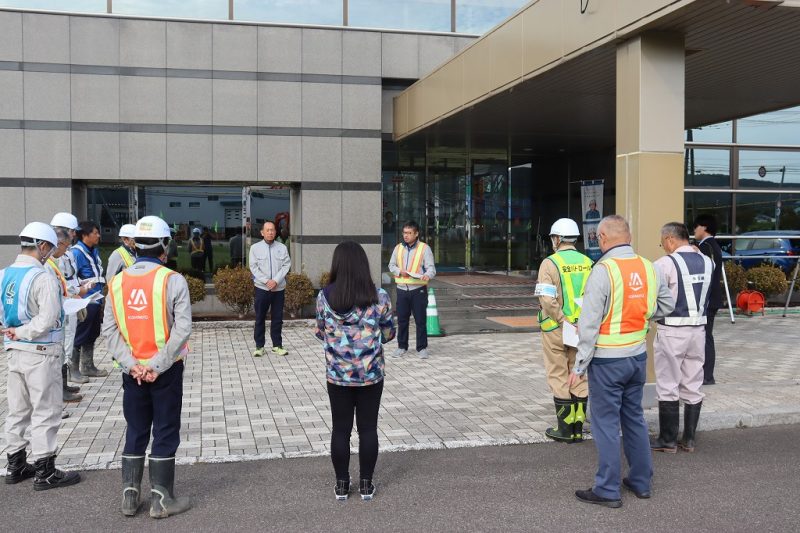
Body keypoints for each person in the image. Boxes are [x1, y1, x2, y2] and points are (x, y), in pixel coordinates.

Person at [570, 215, 674, 507]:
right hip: (636, 356)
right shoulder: (649, 266)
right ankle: (641, 482)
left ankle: (607, 490)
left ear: (602, 237)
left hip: (606, 362)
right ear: (628, 236)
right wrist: (639, 317)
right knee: (634, 418)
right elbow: (666, 305)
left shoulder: (603, 270)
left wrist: (579, 365)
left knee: (604, 423)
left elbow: (589, 324)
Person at [102, 216, 192, 519]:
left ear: (135, 245)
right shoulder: (172, 280)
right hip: (165, 371)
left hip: (132, 374)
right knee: (165, 430)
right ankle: (161, 500)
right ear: (165, 245)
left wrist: (133, 366)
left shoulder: (116, 283)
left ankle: (129, 497)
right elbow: (182, 331)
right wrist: (156, 365)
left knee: (136, 428)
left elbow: (109, 332)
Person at [1, 222, 81, 490]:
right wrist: (23, 331)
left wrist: (12, 332)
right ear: (42, 246)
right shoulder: (43, 277)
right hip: (41, 350)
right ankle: (45, 470)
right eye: (50, 248)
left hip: (14, 351)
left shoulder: (4, 275)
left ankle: (16, 464)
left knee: (17, 410)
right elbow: (47, 319)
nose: (50, 253)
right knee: (45, 410)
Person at [315, 241, 395, 501]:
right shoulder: (379, 296)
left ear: (337, 264)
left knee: (340, 429)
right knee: (368, 429)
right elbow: (389, 333)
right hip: (370, 375)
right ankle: (365, 485)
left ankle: (341, 486)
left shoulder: (324, 297)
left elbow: (320, 332)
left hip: (337, 375)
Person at [651, 223, 713, 454]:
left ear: (669, 239)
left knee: (668, 384)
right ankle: (689, 439)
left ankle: (667, 440)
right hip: (698, 331)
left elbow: (654, 297)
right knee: (693, 382)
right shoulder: (708, 261)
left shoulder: (664, 264)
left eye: (662, 242)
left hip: (672, 331)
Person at [536, 218, 593, 442]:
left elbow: (547, 300)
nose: (552, 241)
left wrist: (563, 320)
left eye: (552, 237)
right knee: (578, 373)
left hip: (556, 328)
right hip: (582, 328)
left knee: (558, 374)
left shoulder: (549, 263)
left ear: (558, 238)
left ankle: (565, 430)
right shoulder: (589, 263)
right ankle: (578, 428)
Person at [50, 213, 90, 387]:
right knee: (62, 344)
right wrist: (77, 290)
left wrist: (81, 287)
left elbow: (71, 278)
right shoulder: (52, 257)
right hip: (64, 304)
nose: (74, 235)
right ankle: (61, 386)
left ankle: (64, 384)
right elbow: (61, 282)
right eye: (73, 232)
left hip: (72, 302)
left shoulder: (68, 253)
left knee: (69, 340)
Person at [44, 226, 82, 404]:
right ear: (58, 244)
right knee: (59, 354)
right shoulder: (48, 265)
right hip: (56, 317)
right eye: (66, 246)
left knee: (64, 349)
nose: (67, 250)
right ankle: (58, 393)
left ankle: (63, 387)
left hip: (64, 310)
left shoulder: (53, 262)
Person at [388, 221, 436, 359]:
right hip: (402, 290)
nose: (406, 236)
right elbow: (391, 265)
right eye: (404, 233)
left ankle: (422, 348)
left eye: (409, 233)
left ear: (416, 234)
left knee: (420, 320)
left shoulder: (424, 248)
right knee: (402, 320)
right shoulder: (398, 248)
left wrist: (428, 275)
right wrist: (399, 271)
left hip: (418, 290)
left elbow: (431, 268)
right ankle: (401, 347)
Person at [249, 221, 291, 357]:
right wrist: (267, 281)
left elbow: (286, 265)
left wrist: (276, 281)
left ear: (275, 232)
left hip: (278, 289)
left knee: (277, 318)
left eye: (272, 230)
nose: (270, 232)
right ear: (262, 232)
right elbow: (253, 267)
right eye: (267, 230)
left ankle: (277, 345)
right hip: (262, 288)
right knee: (260, 317)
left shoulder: (282, 247)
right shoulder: (255, 248)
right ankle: (259, 346)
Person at [72, 220, 108, 378]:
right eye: (95, 232)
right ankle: (73, 369)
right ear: (85, 235)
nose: (98, 235)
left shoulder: (94, 250)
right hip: (84, 301)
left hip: (96, 299)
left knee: (92, 333)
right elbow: (72, 278)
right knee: (79, 334)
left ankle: (88, 366)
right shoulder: (76, 253)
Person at [693, 214, 723, 385]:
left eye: (696, 227)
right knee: (705, 336)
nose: (694, 231)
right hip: (712, 298)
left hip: (708, 299)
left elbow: (706, 274)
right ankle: (705, 374)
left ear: (704, 227)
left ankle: (707, 375)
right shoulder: (712, 245)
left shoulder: (706, 248)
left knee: (705, 337)